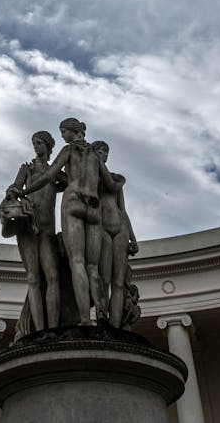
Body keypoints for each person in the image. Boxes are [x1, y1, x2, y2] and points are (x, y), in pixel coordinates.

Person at [22, 118, 119, 325]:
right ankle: (102, 315)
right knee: (93, 266)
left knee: (77, 262)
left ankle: (85, 319)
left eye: (63, 132)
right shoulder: (95, 155)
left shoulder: (68, 151)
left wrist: (24, 191)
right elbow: (110, 184)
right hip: (94, 208)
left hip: (73, 202)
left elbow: (49, 176)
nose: (63, 136)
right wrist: (121, 182)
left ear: (72, 132)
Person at [2, 131, 61, 331]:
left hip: (48, 229)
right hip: (29, 226)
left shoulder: (55, 171)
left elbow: (73, 184)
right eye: (34, 143)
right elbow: (13, 189)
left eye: (39, 143)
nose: (36, 146)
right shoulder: (26, 169)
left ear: (48, 146)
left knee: (52, 276)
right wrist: (13, 192)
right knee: (34, 278)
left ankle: (52, 329)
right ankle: (39, 330)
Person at [93, 140, 138, 328]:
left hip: (120, 228)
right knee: (103, 278)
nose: (104, 154)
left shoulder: (115, 178)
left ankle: (116, 325)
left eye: (106, 152)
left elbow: (123, 209)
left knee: (118, 282)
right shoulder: (90, 179)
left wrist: (133, 237)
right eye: (101, 151)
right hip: (101, 227)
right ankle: (103, 320)